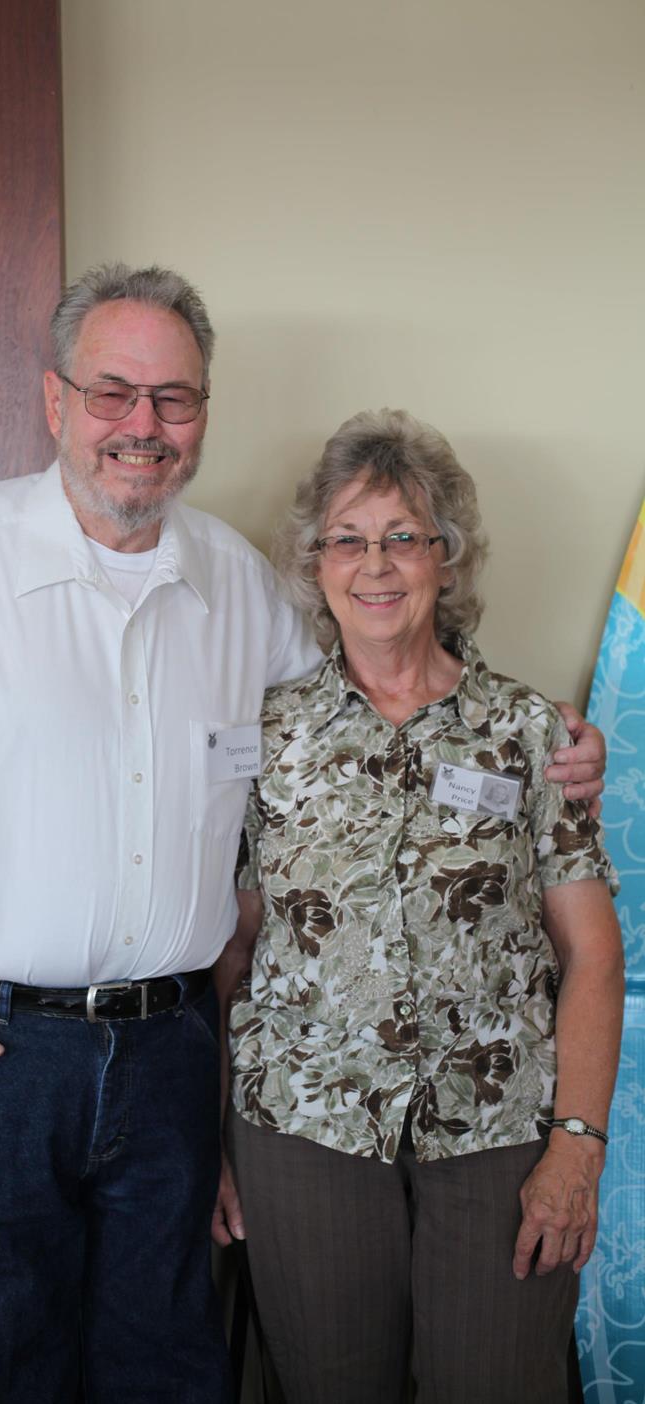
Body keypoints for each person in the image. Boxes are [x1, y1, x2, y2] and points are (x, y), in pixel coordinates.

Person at [0, 267, 605, 1404]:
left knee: (168, 1369)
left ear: (203, 414)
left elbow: (380, 706)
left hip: (173, 1056)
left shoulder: (238, 585)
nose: (143, 425)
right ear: (56, 401)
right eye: (113, 392)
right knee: (2, 1368)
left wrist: (548, 742)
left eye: (174, 398)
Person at [213, 408, 624, 1404]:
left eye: (404, 536)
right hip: (303, 1134)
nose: (376, 564)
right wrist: (213, 1145)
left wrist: (577, 1145)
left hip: (498, 1134)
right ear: (315, 563)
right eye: (348, 539)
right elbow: (231, 952)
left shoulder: (532, 733)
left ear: (448, 556)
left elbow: (593, 955)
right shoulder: (262, 736)